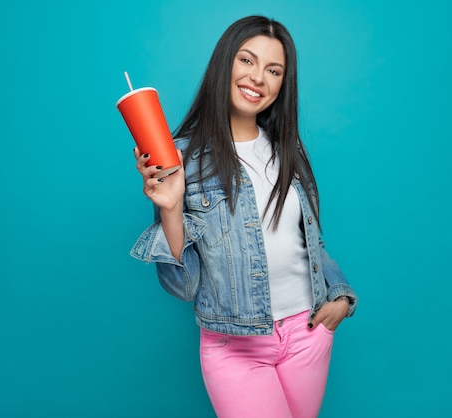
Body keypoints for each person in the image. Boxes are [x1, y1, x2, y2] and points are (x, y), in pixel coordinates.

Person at [130, 15, 358, 418]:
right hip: (233, 347)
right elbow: (183, 287)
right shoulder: (180, 160)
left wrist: (338, 295)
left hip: (308, 335)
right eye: (247, 60)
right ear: (225, 64)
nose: (258, 78)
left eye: (274, 70)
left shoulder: (291, 150)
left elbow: (310, 241)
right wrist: (169, 208)